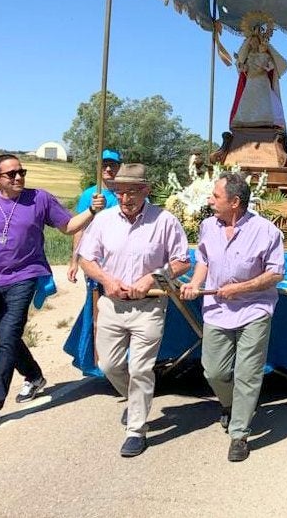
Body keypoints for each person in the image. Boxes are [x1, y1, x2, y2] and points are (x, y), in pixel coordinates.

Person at [0, 154, 105, 427]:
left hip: (26, 275)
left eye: (22, 172)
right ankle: (34, 376)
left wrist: (91, 211)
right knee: (6, 338)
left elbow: (67, 227)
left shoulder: (39, 199)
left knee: (8, 336)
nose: (19, 177)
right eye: (12, 174)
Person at [77, 163, 190, 458]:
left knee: (140, 368)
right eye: (120, 192)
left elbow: (181, 261)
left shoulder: (164, 221)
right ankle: (136, 398)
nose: (125, 198)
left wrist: (151, 278)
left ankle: (136, 430)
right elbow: (87, 258)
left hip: (149, 306)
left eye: (132, 191)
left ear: (146, 190)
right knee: (109, 366)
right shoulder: (103, 221)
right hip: (112, 304)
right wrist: (106, 280)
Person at [180, 172, 285, 463]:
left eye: (215, 196)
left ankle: (239, 433)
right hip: (216, 309)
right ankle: (230, 405)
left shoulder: (266, 231)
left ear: (235, 202)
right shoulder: (207, 227)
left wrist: (241, 288)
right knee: (213, 370)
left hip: (255, 309)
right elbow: (203, 259)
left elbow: (276, 273)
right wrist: (195, 284)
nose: (210, 200)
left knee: (247, 373)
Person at [68, 149, 122, 283]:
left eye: (112, 165)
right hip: (95, 257)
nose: (108, 169)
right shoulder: (89, 195)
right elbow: (80, 229)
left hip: (120, 256)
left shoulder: (127, 193)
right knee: (94, 297)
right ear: (98, 167)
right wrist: (74, 261)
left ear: (119, 167)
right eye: (104, 165)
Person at [229, 31, 287, 129]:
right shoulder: (248, 56)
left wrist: (264, 67)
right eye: (252, 42)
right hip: (251, 80)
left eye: (256, 41)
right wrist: (242, 65)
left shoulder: (265, 55)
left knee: (263, 100)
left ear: (259, 42)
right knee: (248, 100)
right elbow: (245, 69)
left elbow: (271, 65)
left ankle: (264, 121)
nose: (254, 43)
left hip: (261, 80)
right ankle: (246, 121)